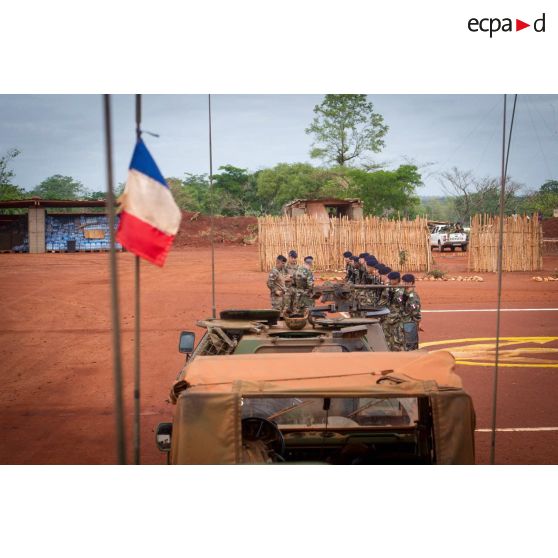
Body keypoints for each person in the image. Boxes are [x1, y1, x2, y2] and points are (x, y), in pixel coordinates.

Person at [381, 271, 405, 351]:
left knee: (397, 340)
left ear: (396, 280)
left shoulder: (401, 291)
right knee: (388, 338)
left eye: (391, 279)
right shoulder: (390, 288)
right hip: (389, 317)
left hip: (397, 318)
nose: (390, 281)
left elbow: (400, 305)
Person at [401, 273, 421, 351]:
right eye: (403, 281)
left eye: (406, 282)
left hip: (410, 324)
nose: (403, 283)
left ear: (411, 283)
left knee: (411, 346)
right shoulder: (404, 294)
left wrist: (418, 322)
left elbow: (416, 312)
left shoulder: (413, 297)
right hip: (404, 323)